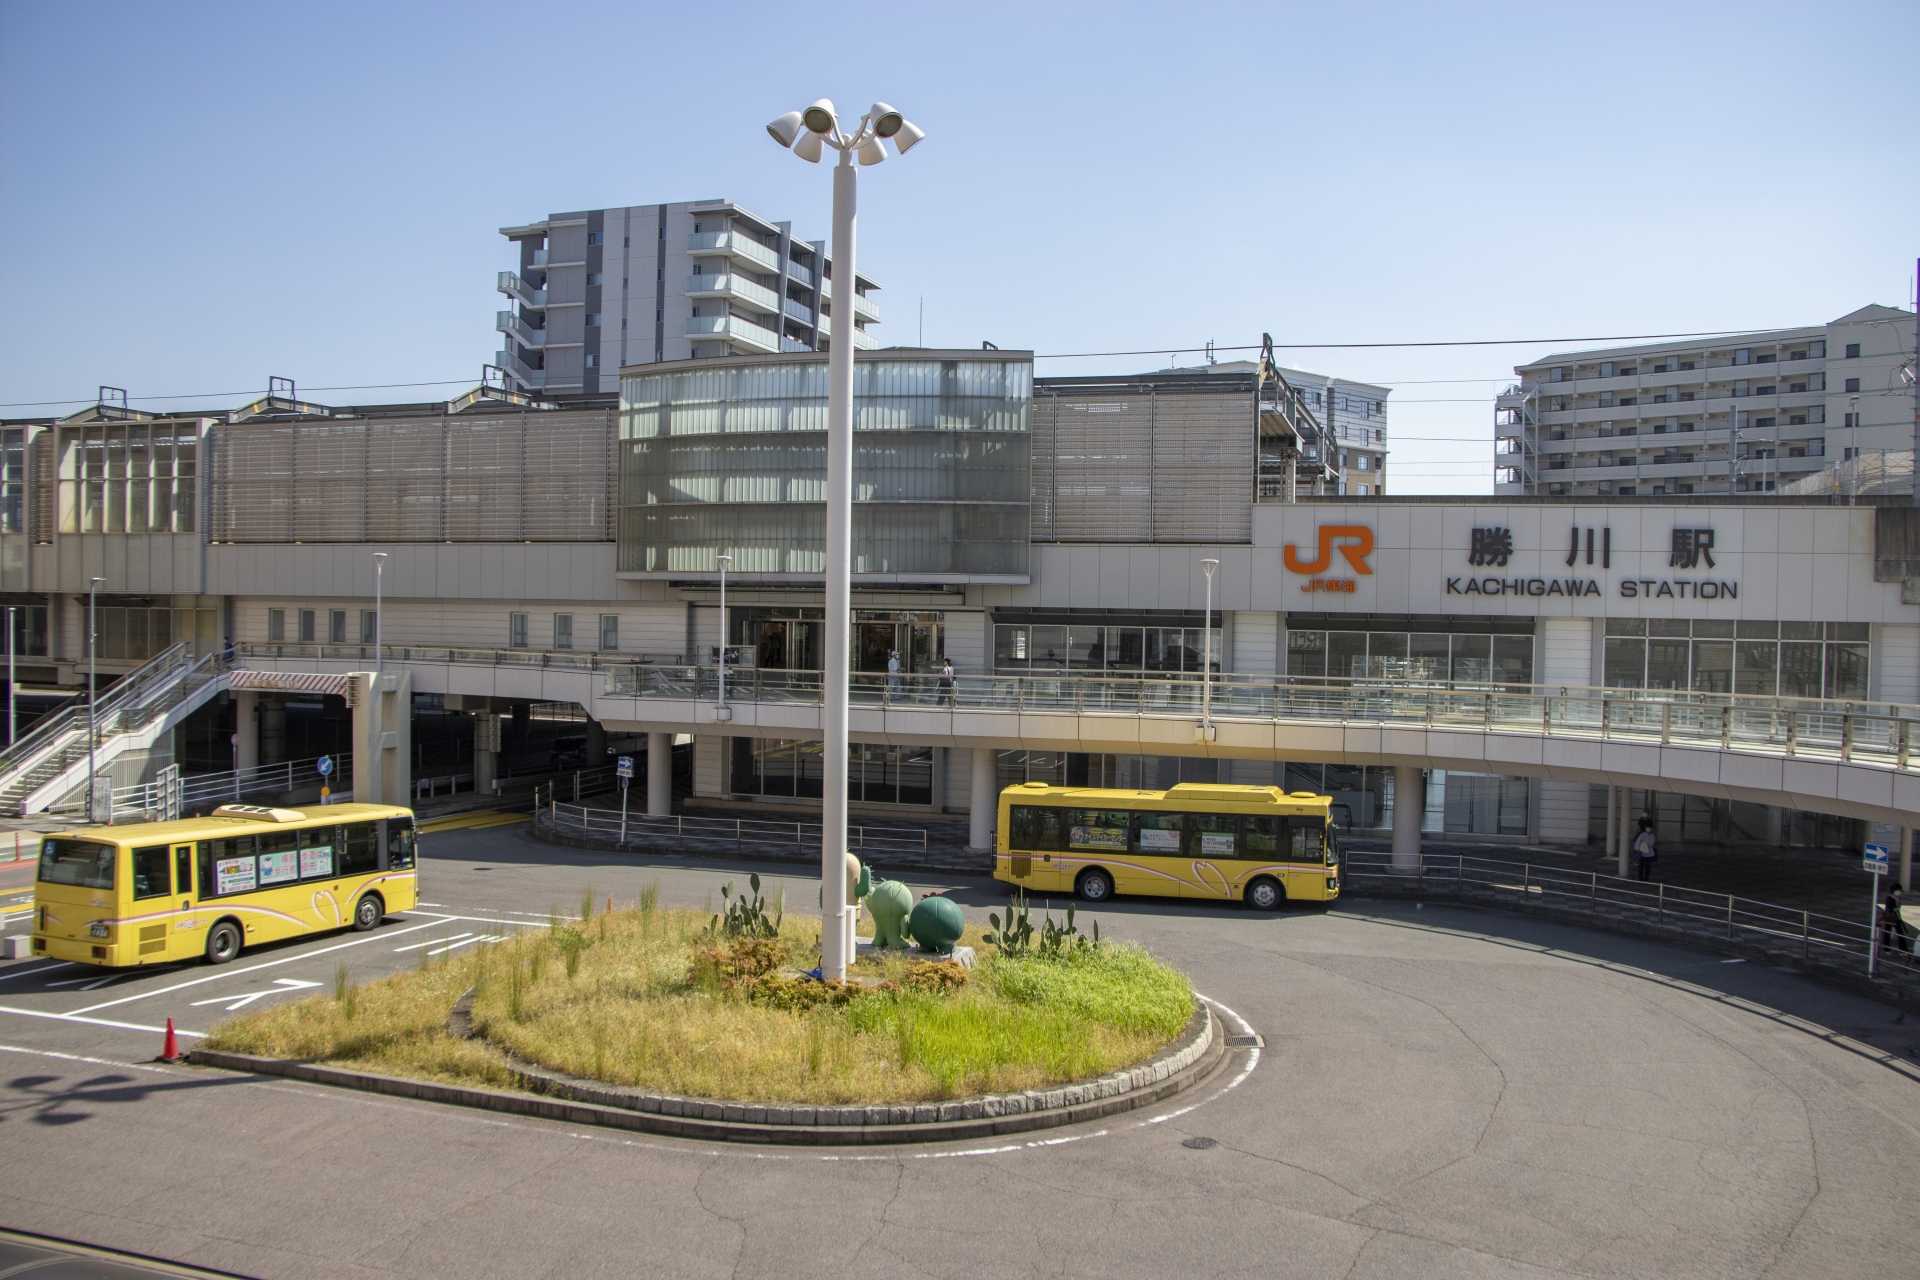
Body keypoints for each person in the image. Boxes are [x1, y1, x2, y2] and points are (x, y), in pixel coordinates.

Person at [1879, 883, 1912, 956]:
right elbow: (1889, 907)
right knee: (1888, 932)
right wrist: (1894, 908)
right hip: (1890, 917)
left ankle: (1902, 950)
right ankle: (1887, 948)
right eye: (1898, 890)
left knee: (1899, 933)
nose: (1899, 892)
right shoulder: (1890, 898)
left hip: (1896, 917)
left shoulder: (1898, 897)